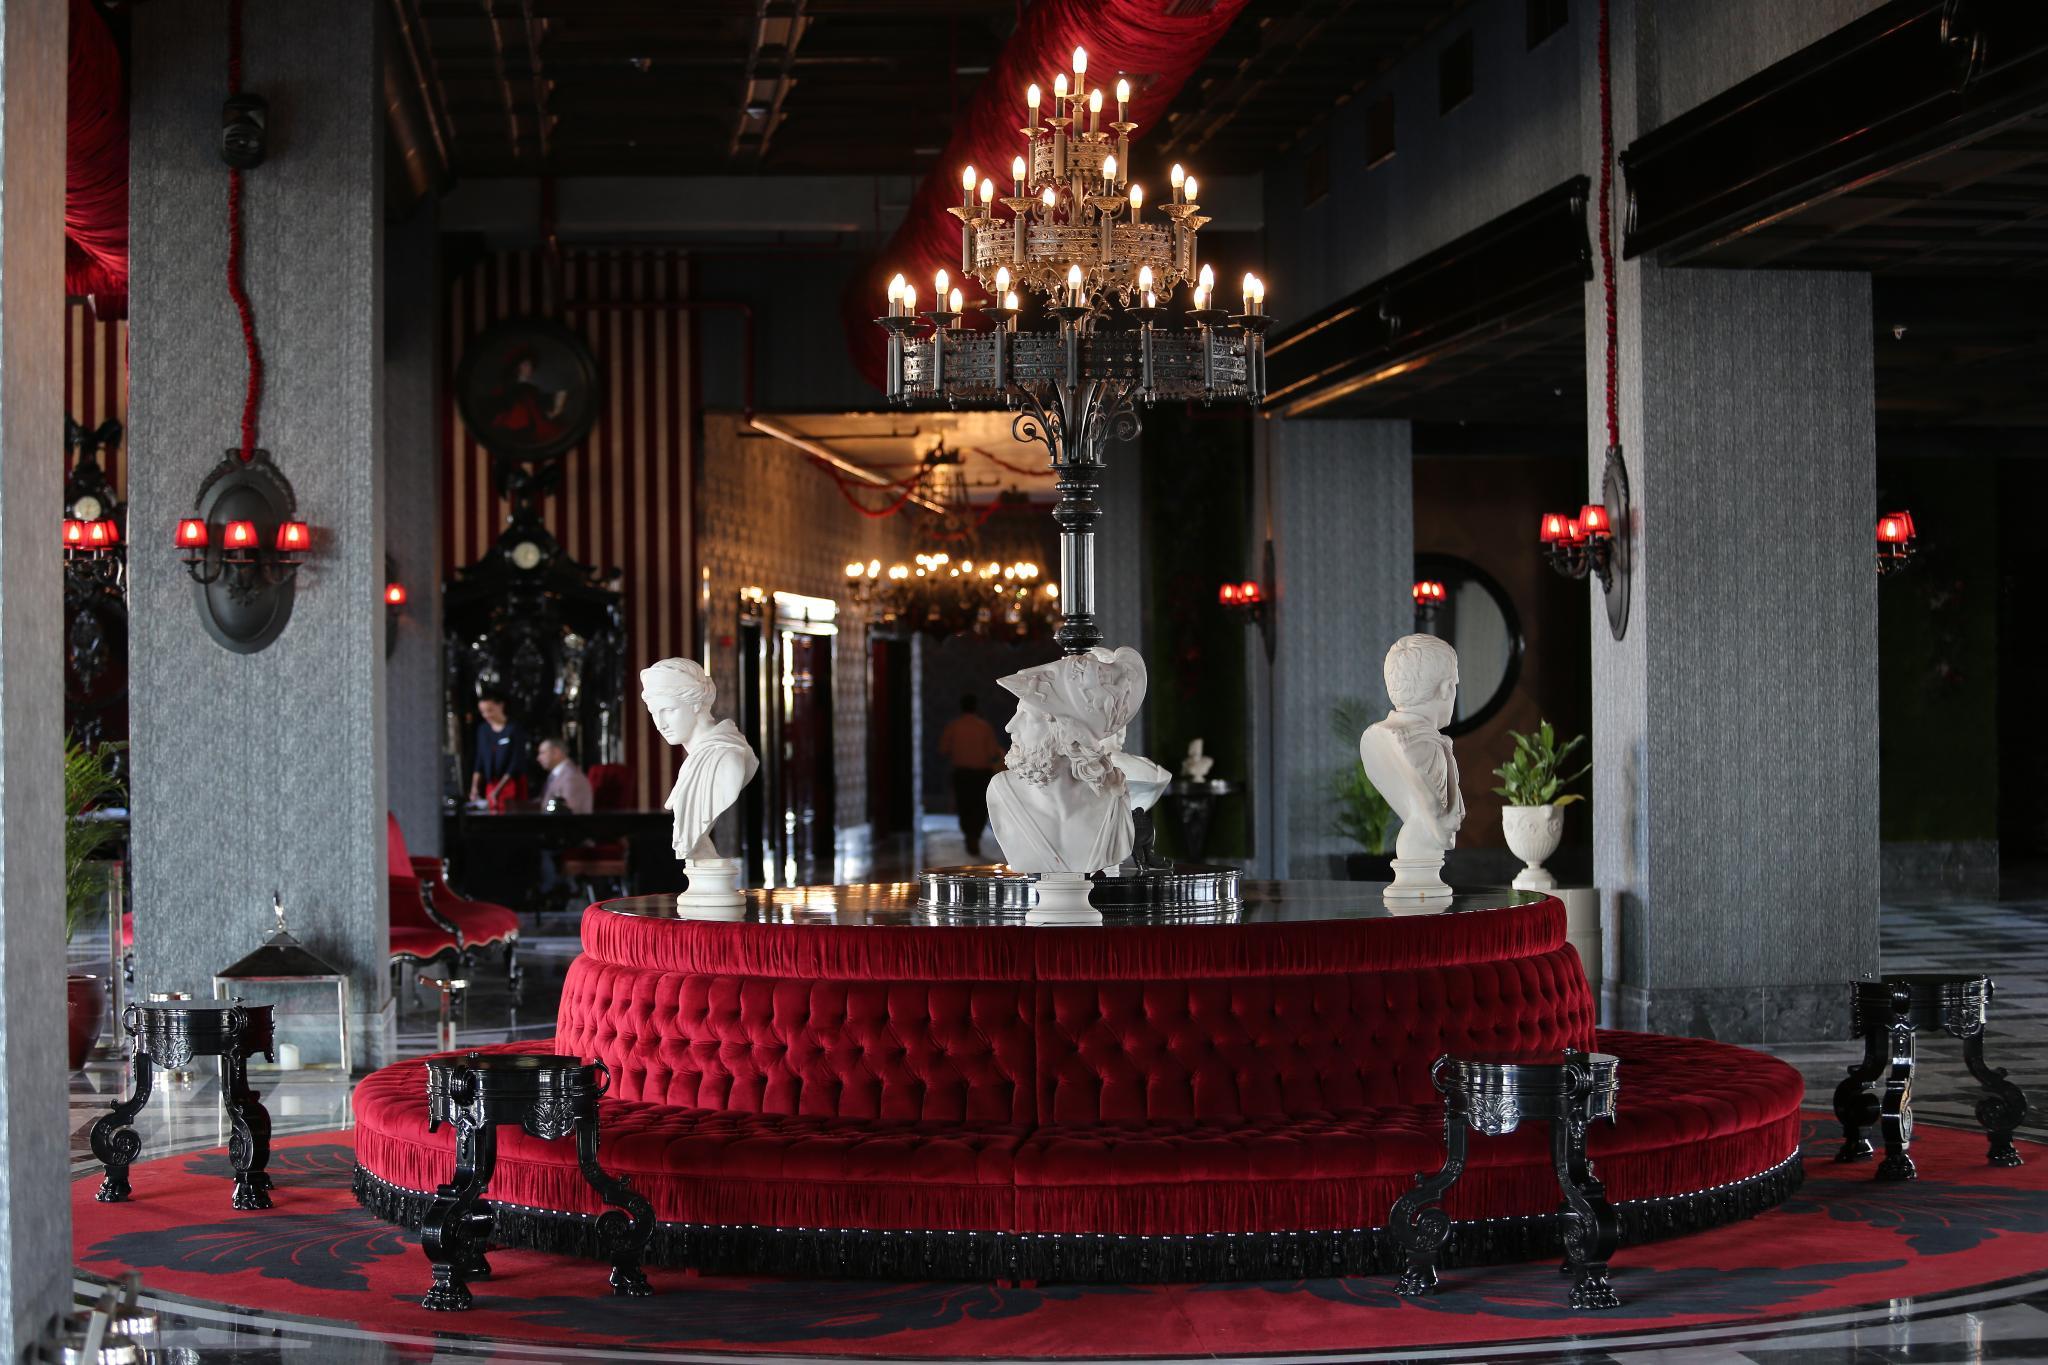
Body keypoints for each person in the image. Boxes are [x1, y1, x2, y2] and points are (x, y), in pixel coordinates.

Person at [938, 693, 1006, 860]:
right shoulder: (984, 727)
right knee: (980, 806)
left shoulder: (954, 726)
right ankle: (975, 835)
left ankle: (969, 835)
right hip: (981, 773)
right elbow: (993, 752)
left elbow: (943, 749)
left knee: (964, 805)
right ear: (976, 707)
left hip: (961, 773)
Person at [468, 689, 533, 810]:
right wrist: (474, 787)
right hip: (492, 782)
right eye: (483, 712)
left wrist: (499, 789)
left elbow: (516, 761)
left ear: (501, 706)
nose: (486, 715)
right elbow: (480, 759)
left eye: (490, 710)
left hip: (512, 782)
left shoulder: (514, 728)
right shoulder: (483, 730)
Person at [537, 737, 594, 815]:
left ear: (556, 753)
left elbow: (568, 812)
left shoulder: (572, 777)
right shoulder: (556, 775)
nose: (538, 758)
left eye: (543, 753)